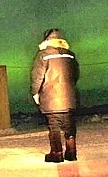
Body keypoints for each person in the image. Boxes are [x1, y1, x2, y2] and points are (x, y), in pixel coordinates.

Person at [30, 28, 80, 163]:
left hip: (50, 97)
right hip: (69, 97)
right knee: (70, 125)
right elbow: (75, 75)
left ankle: (57, 153)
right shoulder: (70, 55)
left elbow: (37, 76)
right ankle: (71, 152)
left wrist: (35, 92)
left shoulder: (43, 55)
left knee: (54, 126)